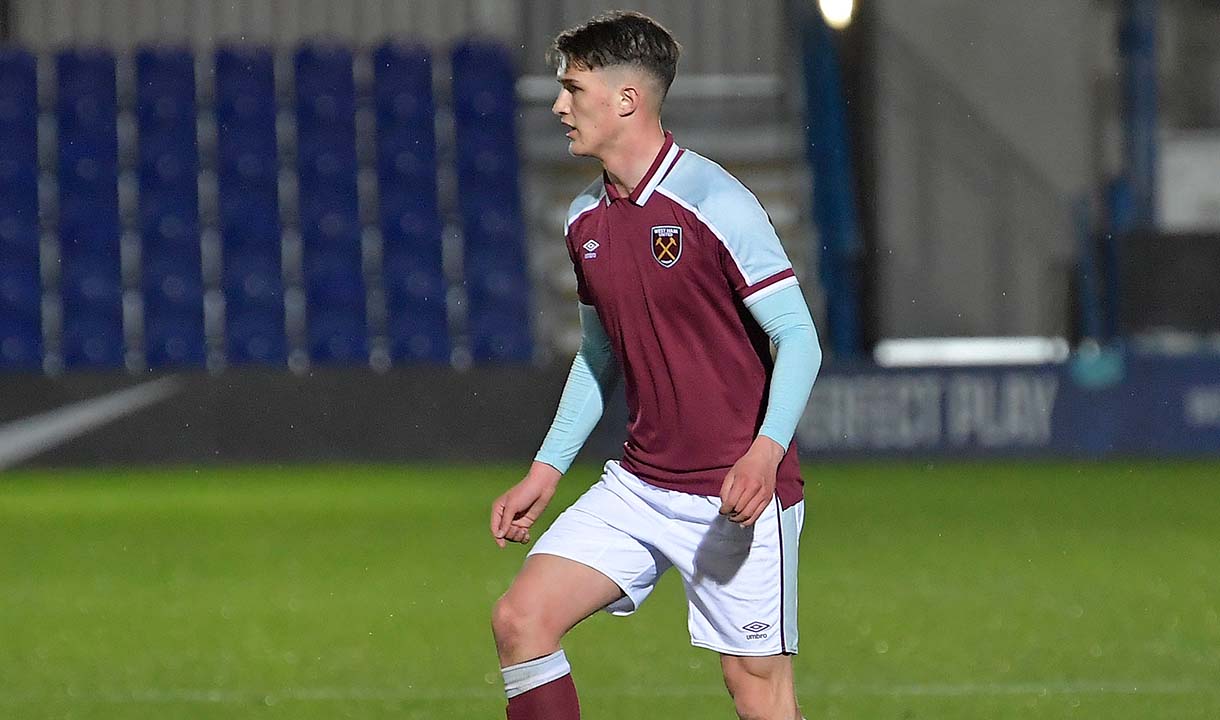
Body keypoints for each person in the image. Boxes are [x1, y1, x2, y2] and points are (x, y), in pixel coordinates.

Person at [489, 11, 822, 720]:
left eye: (572, 89)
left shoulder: (717, 201)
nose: (558, 106)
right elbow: (599, 353)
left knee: (755, 688)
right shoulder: (584, 221)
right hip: (641, 485)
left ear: (626, 100)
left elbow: (799, 337)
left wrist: (765, 455)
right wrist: (546, 471)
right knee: (521, 622)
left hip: (736, 493)